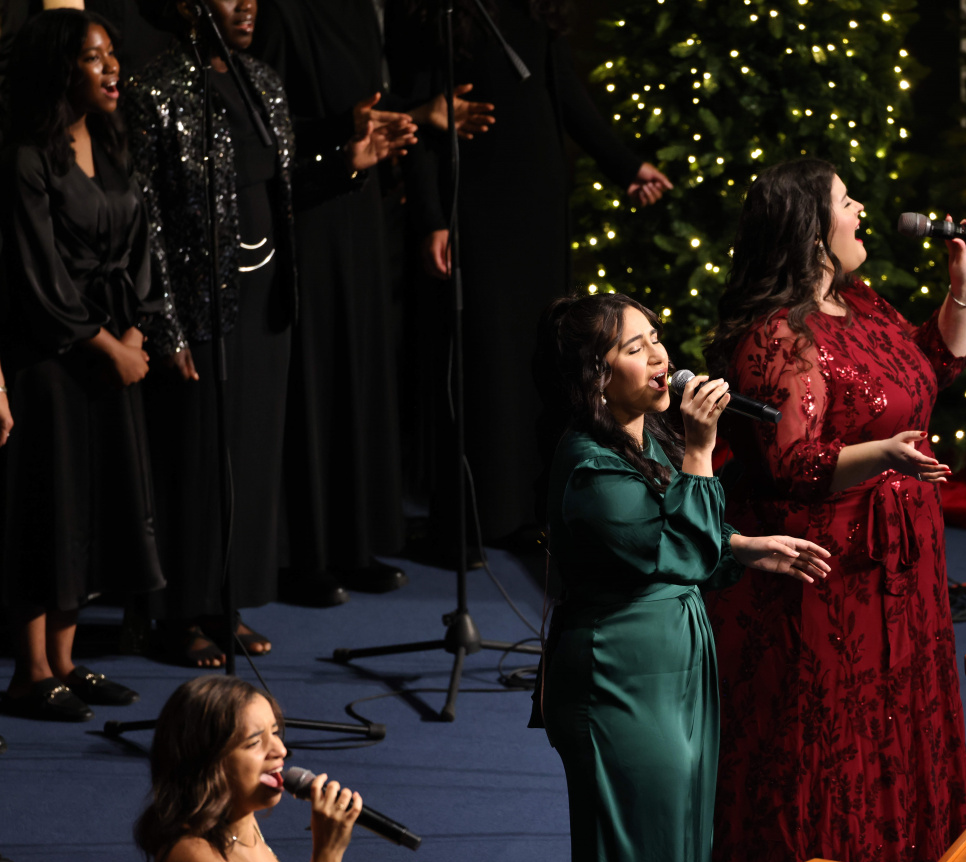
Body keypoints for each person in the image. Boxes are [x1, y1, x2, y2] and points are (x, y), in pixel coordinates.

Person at [702, 158, 966, 862]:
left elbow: (925, 372)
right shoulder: (777, 336)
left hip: (901, 566)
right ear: (809, 231)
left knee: (900, 726)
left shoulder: (860, 305)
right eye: (844, 201)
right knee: (835, 742)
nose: (860, 208)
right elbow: (789, 461)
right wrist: (885, 455)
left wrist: (964, 291)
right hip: (831, 573)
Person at [123, 0, 416, 665]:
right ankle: (177, 617)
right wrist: (163, 322)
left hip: (265, 301)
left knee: (250, 461)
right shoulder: (157, 87)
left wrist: (350, 161)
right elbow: (148, 219)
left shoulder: (260, 80)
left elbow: (280, 190)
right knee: (196, 461)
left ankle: (226, 605)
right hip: (199, 305)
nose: (246, 3)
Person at [536, 292, 831, 862]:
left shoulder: (642, 438)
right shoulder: (592, 471)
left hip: (672, 671)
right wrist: (700, 447)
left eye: (655, 338)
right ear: (595, 376)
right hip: (620, 678)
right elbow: (680, 551)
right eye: (634, 347)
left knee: (682, 842)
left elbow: (674, 534)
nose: (659, 356)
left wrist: (741, 546)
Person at [386, 0, 673, 557]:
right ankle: (467, 519)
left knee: (539, 357)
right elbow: (420, 119)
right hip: (474, 207)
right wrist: (432, 219)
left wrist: (625, 165)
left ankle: (524, 512)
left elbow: (566, 94)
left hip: (537, 208)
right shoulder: (439, 13)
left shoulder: (536, 10)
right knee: (482, 362)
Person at [0, 8, 165, 721]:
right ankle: (30, 673)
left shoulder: (112, 141)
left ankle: (66, 662)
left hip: (110, 351)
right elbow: (36, 277)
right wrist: (109, 344)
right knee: (48, 509)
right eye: (94, 58)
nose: (112, 68)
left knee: (90, 510)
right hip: (50, 357)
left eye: (112, 55)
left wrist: (135, 329)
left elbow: (139, 250)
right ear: (59, 70)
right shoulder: (25, 158)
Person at [249, 0, 416, 605]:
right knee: (315, 377)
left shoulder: (361, 11)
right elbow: (264, 123)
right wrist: (342, 128)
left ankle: (354, 543)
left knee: (358, 369)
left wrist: (383, 132)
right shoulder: (281, 12)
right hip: (310, 211)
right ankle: (307, 555)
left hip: (359, 202)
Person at [134, 675, 452, 862]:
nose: (281, 751)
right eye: (254, 743)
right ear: (208, 763)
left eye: (275, 733)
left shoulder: (239, 821)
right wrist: (327, 855)